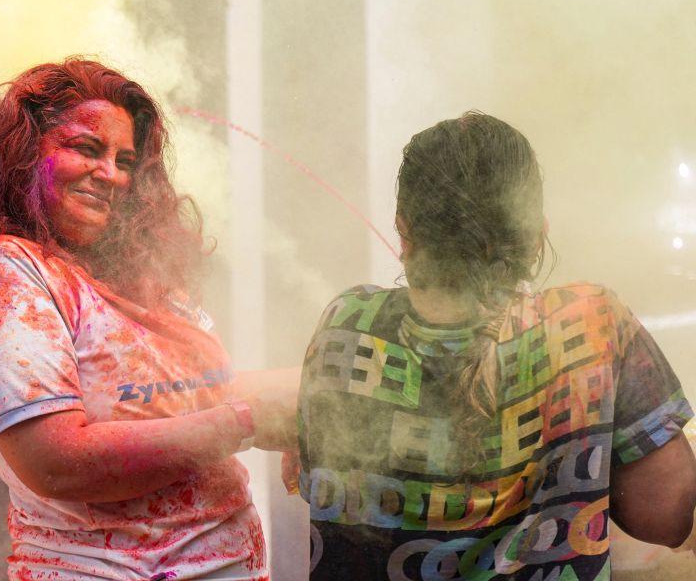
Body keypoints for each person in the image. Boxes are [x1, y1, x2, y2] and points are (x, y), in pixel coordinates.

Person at [0, 58, 297, 580]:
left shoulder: (131, 273)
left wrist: (310, 401)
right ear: (26, 155)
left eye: (125, 160)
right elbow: (56, 459)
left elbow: (188, 393)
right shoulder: (2, 273)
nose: (111, 174)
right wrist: (245, 422)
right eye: (87, 149)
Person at [296, 111, 696, 580]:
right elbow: (668, 514)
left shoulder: (346, 325)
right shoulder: (589, 324)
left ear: (404, 232)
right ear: (536, 235)